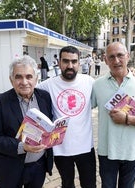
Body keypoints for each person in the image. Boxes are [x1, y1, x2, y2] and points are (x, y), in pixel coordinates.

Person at [91, 42, 135, 188]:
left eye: (120, 55)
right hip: (106, 152)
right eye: (112, 57)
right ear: (105, 60)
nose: (116, 61)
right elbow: (82, 108)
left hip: (132, 151)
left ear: (128, 56)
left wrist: (127, 119)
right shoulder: (97, 85)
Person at [0, 55, 53, 188]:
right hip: (9, 168)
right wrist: (22, 147)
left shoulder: (44, 97)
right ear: (11, 80)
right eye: (18, 77)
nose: (24, 82)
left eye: (29, 76)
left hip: (38, 165)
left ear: (36, 79)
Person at [37, 46, 96, 188]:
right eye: (66, 61)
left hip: (86, 147)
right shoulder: (47, 85)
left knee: (89, 184)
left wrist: (132, 72)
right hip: (60, 149)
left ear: (79, 63)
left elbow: (110, 84)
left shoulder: (89, 81)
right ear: (59, 62)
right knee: (67, 184)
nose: (70, 66)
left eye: (74, 61)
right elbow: (25, 89)